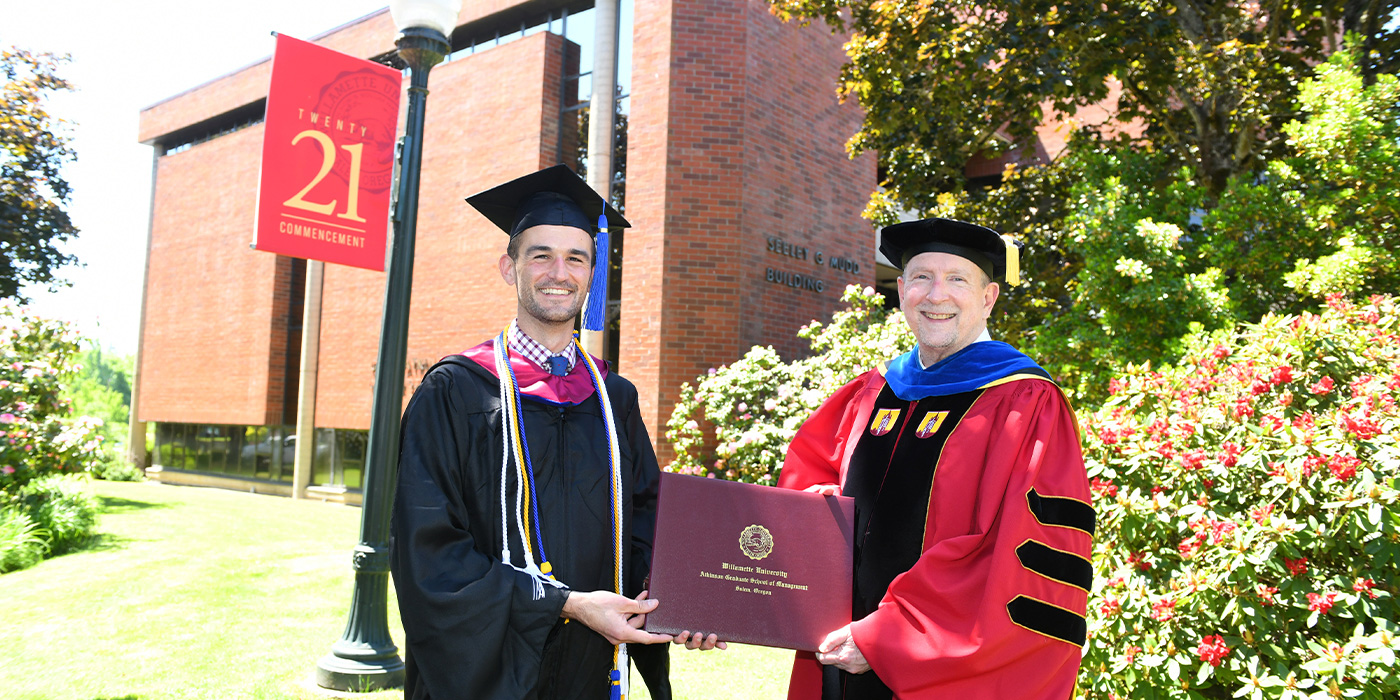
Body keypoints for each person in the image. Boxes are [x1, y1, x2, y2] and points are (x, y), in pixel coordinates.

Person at [390, 165, 708, 700]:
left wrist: (676, 597)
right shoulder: (456, 391)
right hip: (489, 667)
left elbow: (649, 522)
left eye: (575, 258)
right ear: (508, 268)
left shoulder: (614, 399)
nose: (558, 272)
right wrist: (565, 604)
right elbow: (428, 551)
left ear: (591, 273)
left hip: (593, 667)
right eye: (540, 255)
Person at [777, 218, 1095, 700]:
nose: (936, 295)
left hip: (936, 671)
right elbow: (809, 484)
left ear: (988, 297)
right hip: (836, 655)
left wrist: (888, 635)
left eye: (958, 279)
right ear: (902, 290)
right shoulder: (875, 390)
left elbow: (1014, 551)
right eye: (922, 277)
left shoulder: (1025, 402)